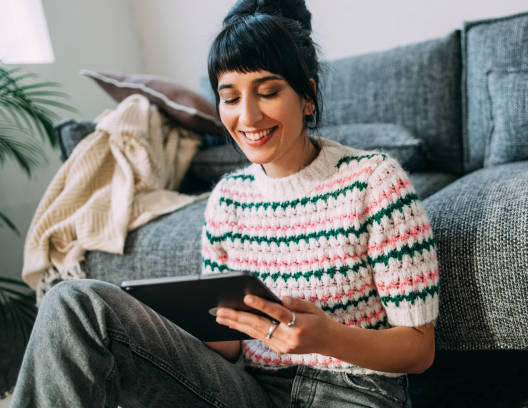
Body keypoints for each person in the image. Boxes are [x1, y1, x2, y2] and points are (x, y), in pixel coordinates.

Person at [10, 0, 439, 406]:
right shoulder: (228, 200)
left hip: (353, 391)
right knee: (75, 302)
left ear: (307, 96)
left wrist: (325, 337)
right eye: (231, 97)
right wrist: (165, 327)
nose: (247, 118)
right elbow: (226, 346)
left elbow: (419, 350)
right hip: (249, 390)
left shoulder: (375, 181)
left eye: (268, 92)